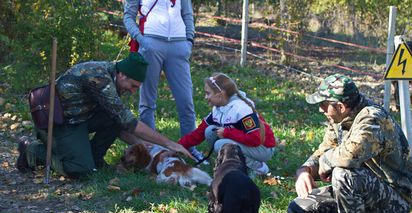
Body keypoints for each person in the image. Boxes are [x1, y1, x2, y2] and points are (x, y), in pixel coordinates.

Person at [287, 74, 412, 213]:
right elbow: (326, 149)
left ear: (340, 106)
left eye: (324, 104)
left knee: (343, 174)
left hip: (396, 197)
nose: (320, 109)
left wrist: (325, 163)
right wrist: (306, 170)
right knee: (299, 209)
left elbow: (349, 156)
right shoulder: (341, 119)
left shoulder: (372, 119)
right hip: (364, 190)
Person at [16, 52, 192, 178]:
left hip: (81, 117)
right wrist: (169, 143)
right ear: (122, 75)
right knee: (80, 170)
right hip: (60, 123)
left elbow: (121, 125)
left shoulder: (115, 76)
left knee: (114, 121)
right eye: (132, 86)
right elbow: (129, 122)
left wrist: (150, 148)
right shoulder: (99, 77)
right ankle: (32, 151)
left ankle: (93, 159)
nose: (131, 91)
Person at [123, 0, 204, 161]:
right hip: (151, 43)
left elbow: (188, 14)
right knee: (147, 102)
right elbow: (128, 17)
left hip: (179, 46)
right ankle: (152, 150)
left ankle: (190, 149)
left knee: (186, 101)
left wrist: (189, 41)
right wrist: (142, 40)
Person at [178, 73, 276, 175]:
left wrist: (227, 133)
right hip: (250, 143)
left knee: (221, 144)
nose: (205, 97)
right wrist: (177, 146)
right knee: (209, 131)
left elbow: (255, 139)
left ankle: (257, 167)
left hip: (263, 148)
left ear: (220, 94)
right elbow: (199, 133)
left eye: (208, 93)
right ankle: (230, 163)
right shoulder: (219, 108)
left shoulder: (241, 109)